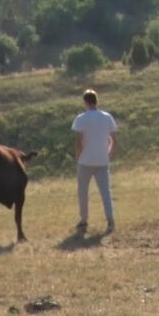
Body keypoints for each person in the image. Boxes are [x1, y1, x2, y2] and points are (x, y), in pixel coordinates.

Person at [71, 89, 118, 234]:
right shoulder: (107, 117)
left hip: (85, 160)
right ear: (96, 101)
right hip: (102, 160)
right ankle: (110, 220)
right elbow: (114, 141)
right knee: (105, 192)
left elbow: (79, 142)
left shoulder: (81, 118)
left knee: (83, 192)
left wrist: (78, 156)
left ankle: (84, 220)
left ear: (86, 102)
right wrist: (108, 154)